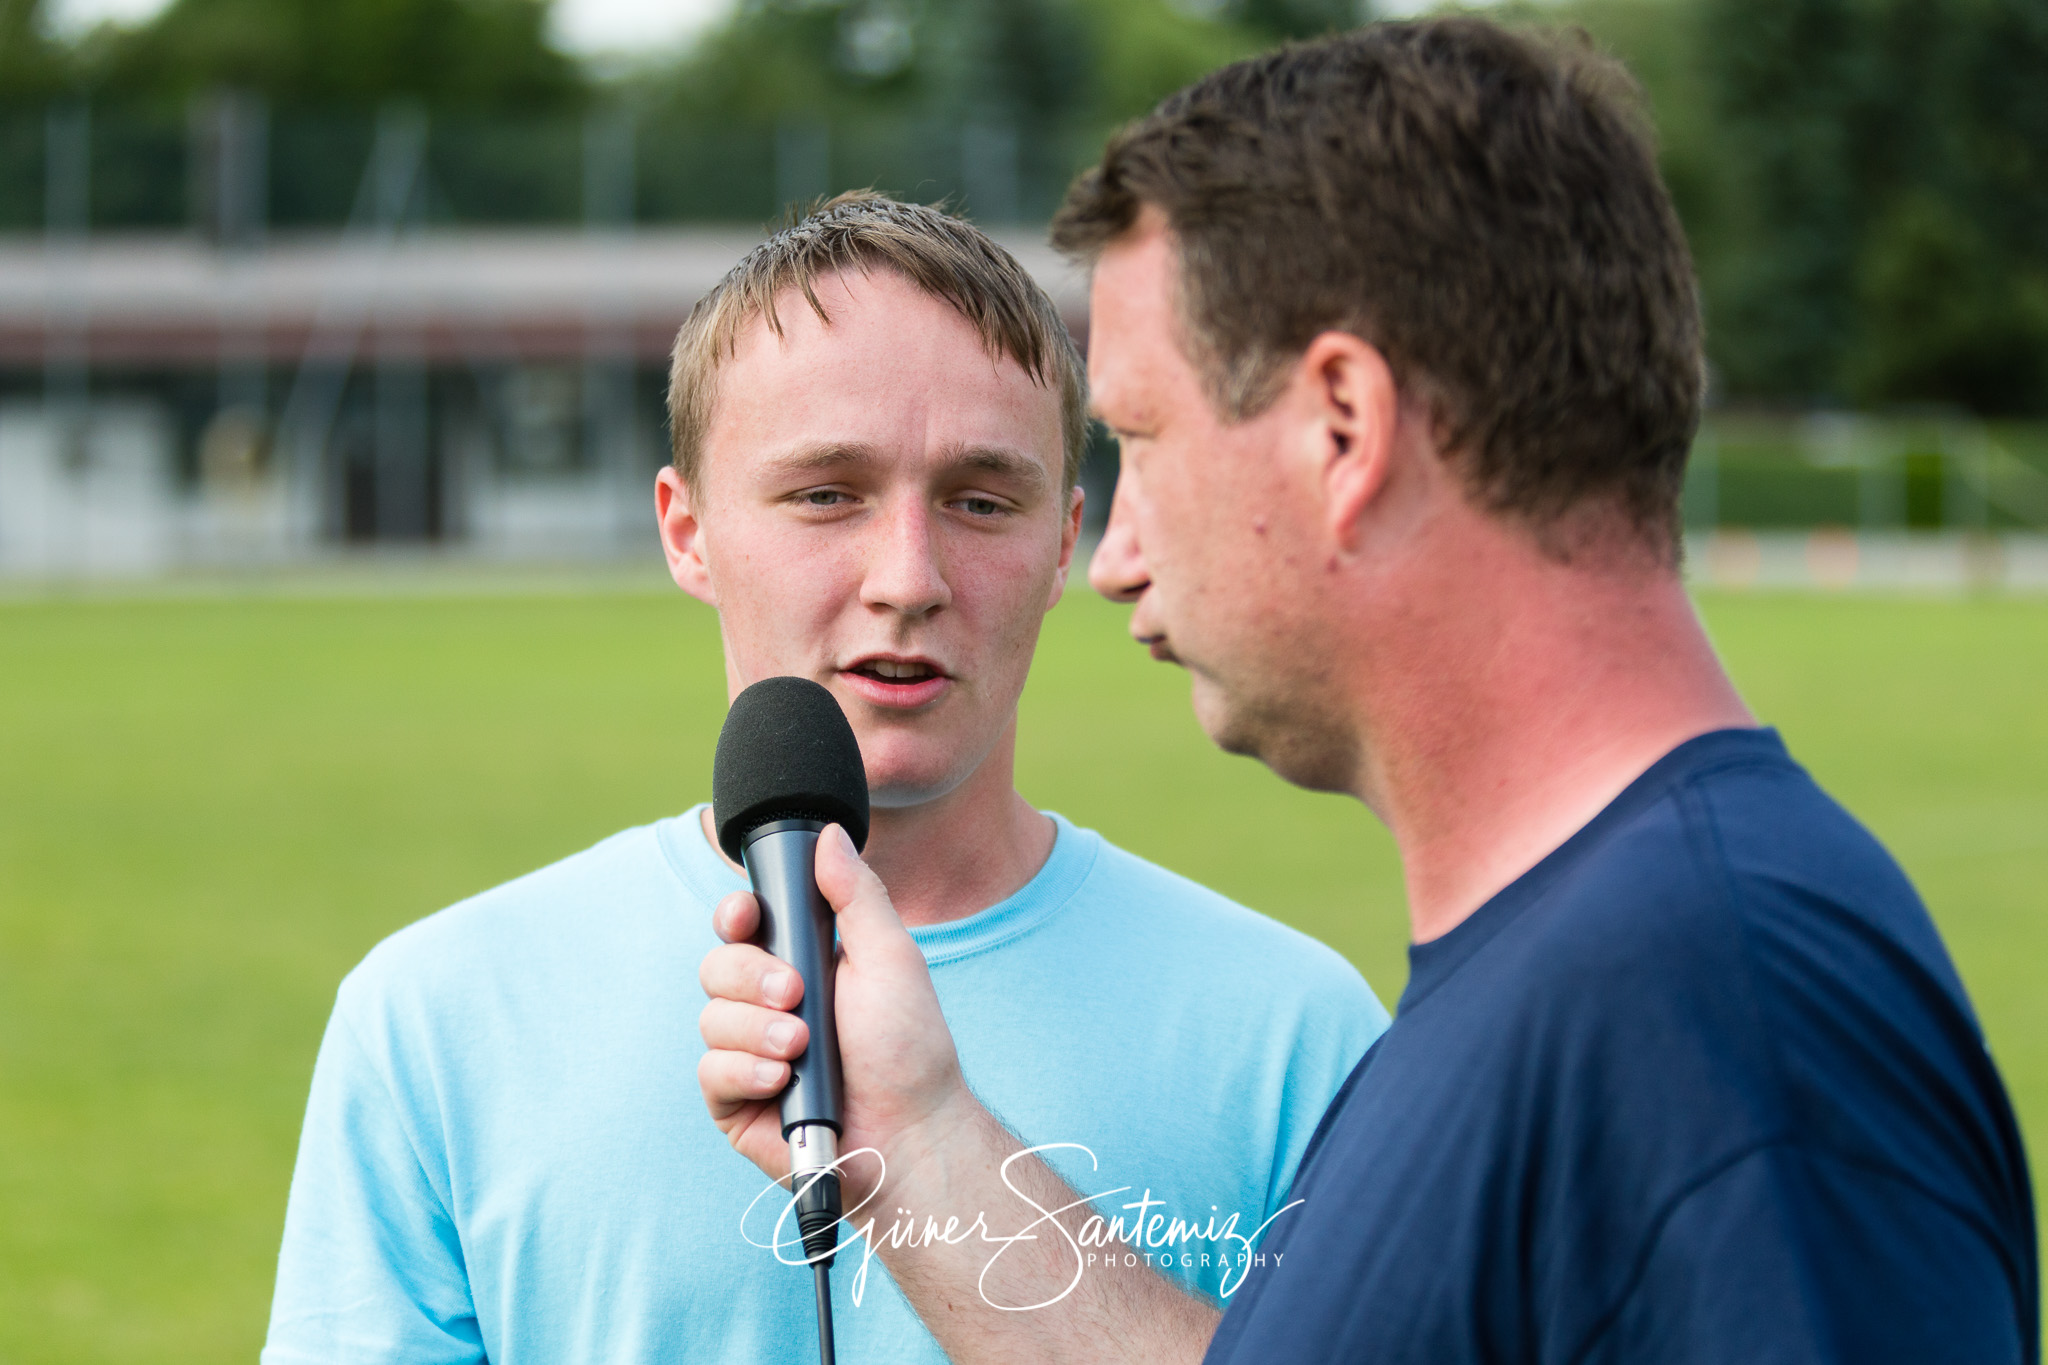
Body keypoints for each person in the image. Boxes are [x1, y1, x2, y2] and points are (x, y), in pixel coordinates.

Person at [700, 20, 2039, 1365]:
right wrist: (918, 1149)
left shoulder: (1721, 1016)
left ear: (1343, 427)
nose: (1112, 559)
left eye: (1145, 443)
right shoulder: (1583, 976)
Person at [260, 192, 1386, 1365]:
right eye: (824, 495)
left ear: (1064, 542)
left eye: (980, 501)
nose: (908, 578)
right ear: (686, 531)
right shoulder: (445, 1019)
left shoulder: (1290, 1037)